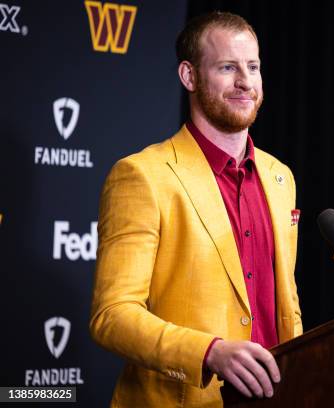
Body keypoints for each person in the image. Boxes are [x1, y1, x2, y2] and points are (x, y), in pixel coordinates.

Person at [90, 12, 302, 407]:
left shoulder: (280, 177)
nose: (245, 82)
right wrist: (209, 352)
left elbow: (285, 304)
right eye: (227, 67)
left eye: (253, 67)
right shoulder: (142, 176)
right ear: (189, 76)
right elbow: (113, 315)